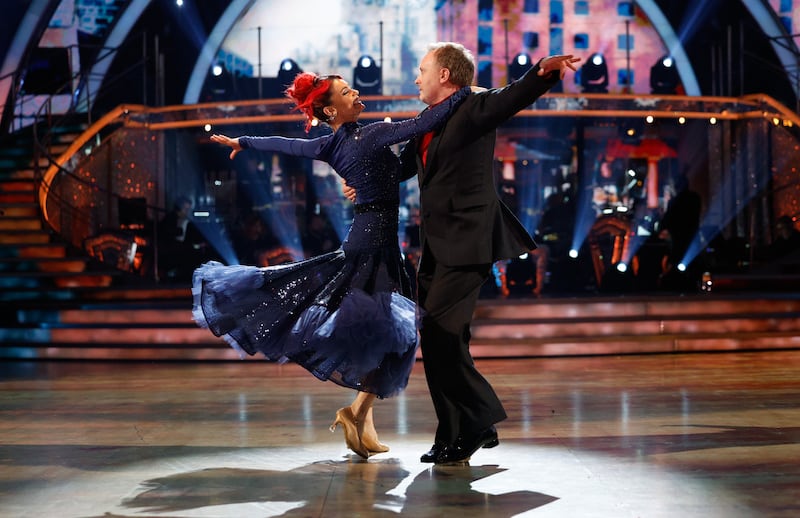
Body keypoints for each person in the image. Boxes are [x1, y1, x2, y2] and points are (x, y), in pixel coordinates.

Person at [193, 71, 471, 459]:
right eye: (346, 92)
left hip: (371, 240)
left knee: (385, 338)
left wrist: (244, 141)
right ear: (330, 109)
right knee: (389, 337)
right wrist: (465, 94)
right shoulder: (371, 135)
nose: (356, 92)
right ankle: (357, 414)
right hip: (373, 246)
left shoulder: (330, 144)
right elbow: (424, 122)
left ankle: (360, 417)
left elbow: (286, 145)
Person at [398, 43, 578, 465]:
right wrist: (362, 182)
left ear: (445, 75)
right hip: (437, 247)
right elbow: (403, 166)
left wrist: (542, 73)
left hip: (468, 240)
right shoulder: (427, 121)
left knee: (442, 334)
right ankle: (453, 431)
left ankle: (479, 421)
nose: (416, 77)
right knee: (440, 338)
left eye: (422, 70)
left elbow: (512, 96)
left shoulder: (476, 104)